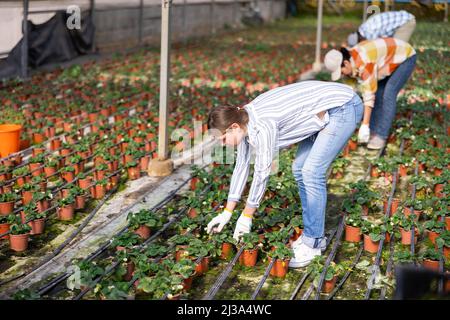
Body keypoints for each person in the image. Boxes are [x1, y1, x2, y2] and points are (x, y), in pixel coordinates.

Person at [206, 81, 363, 268]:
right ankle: (311, 235)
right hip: (320, 112)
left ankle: (313, 244)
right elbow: (241, 167)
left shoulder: (263, 125)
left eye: (223, 138)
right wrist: (227, 212)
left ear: (233, 127)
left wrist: (247, 215)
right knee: (299, 169)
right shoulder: (245, 120)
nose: (223, 144)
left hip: (342, 106)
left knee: (312, 173)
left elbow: (262, 172)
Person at [324, 38, 416, 149]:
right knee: (379, 93)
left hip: (405, 56)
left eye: (341, 72)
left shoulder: (364, 62)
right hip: (386, 59)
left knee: (388, 93)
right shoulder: (350, 61)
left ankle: (381, 135)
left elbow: (368, 95)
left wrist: (365, 125)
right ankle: (373, 131)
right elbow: (349, 94)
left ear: (346, 63)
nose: (342, 75)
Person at [347, 10, 416, 47]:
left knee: (397, 49)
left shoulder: (369, 32)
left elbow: (376, 47)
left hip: (405, 22)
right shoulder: (363, 29)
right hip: (401, 20)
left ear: (359, 40)